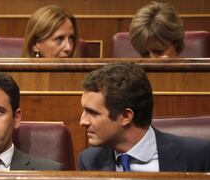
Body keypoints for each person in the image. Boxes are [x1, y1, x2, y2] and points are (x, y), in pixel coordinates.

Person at [78, 62, 210, 172]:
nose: (82, 121)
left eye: (93, 113)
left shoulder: (198, 156)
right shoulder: (89, 161)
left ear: (125, 116)